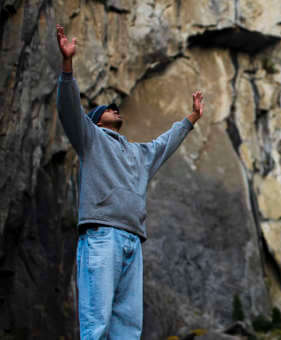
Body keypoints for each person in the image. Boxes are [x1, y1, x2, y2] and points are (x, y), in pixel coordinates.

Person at [55, 24, 205, 339]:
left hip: (133, 242)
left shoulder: (139, 155)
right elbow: (69, 110)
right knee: (96, 325)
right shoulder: (91, 139)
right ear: (95, 121)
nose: (114, 108)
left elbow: (164, 143)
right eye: (107, 109)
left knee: (128, 329)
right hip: (102, 236)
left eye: (116, 108)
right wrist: (67, 66)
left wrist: (191, 119)